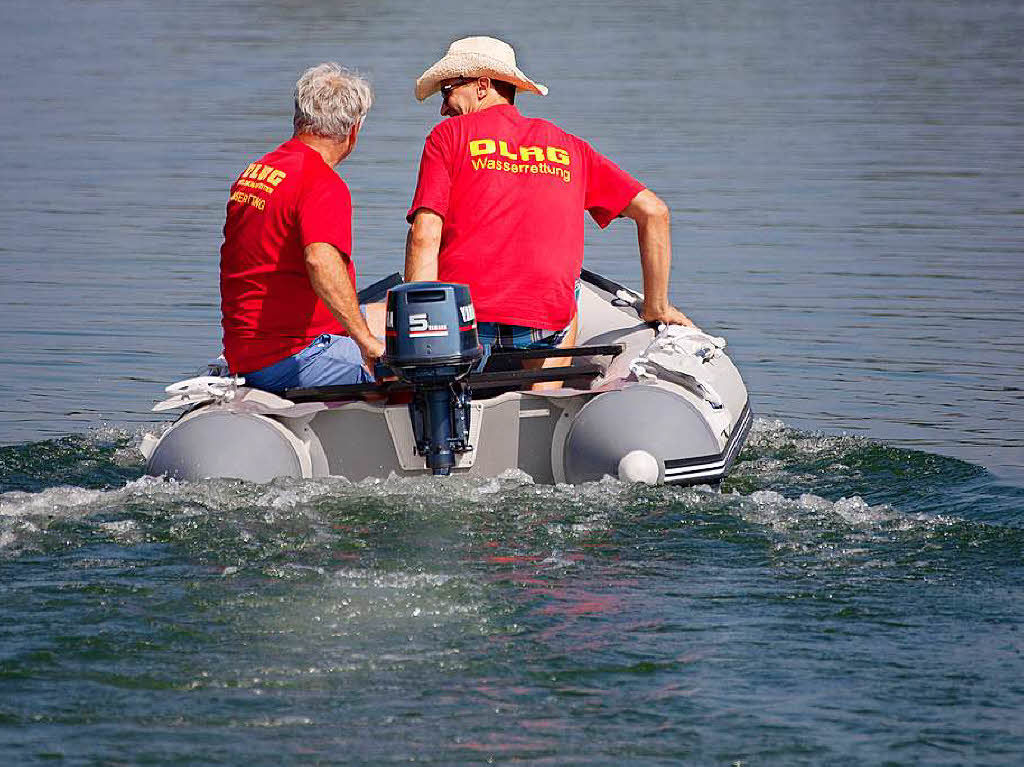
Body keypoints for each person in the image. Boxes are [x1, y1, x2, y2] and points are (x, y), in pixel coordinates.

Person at [405, 36, 694, 378]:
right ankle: (544, 402)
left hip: (467, 322)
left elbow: (424, 235)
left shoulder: (448, 136)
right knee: (570, 292)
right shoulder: (570, 146)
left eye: (447, 90)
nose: (443, 108)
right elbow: (655, 211)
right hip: (541, 328)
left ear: (482, 86)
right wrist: (656, 307)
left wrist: (418, 336)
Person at [220, 62, 384, 394]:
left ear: (299, 118)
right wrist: (367, 342)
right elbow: (320, 261)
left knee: (398, 312)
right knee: (427, 361)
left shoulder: (257, 171)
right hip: (289, 357)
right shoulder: (322, 183)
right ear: (354, 130)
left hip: (248, 348)